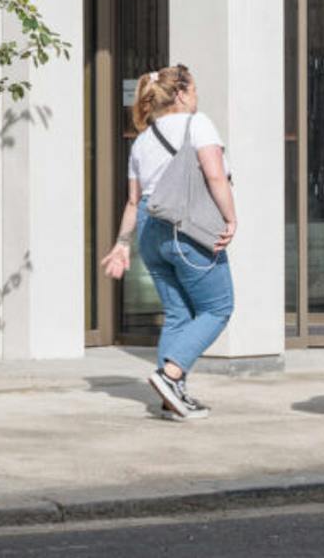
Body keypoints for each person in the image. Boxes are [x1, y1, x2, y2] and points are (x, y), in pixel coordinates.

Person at [100, 63, 236, 420]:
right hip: (186, 226)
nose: (197, 97)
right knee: (218, 308)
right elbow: (215, 176)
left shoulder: (142, 140)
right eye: (194, 90)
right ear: (180, 94)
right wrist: (231, 218)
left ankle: (170, 400)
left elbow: (134, 201)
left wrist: (122, 243)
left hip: (150, 229)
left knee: (178, 313)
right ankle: (170, 376)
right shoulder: (197, 124)